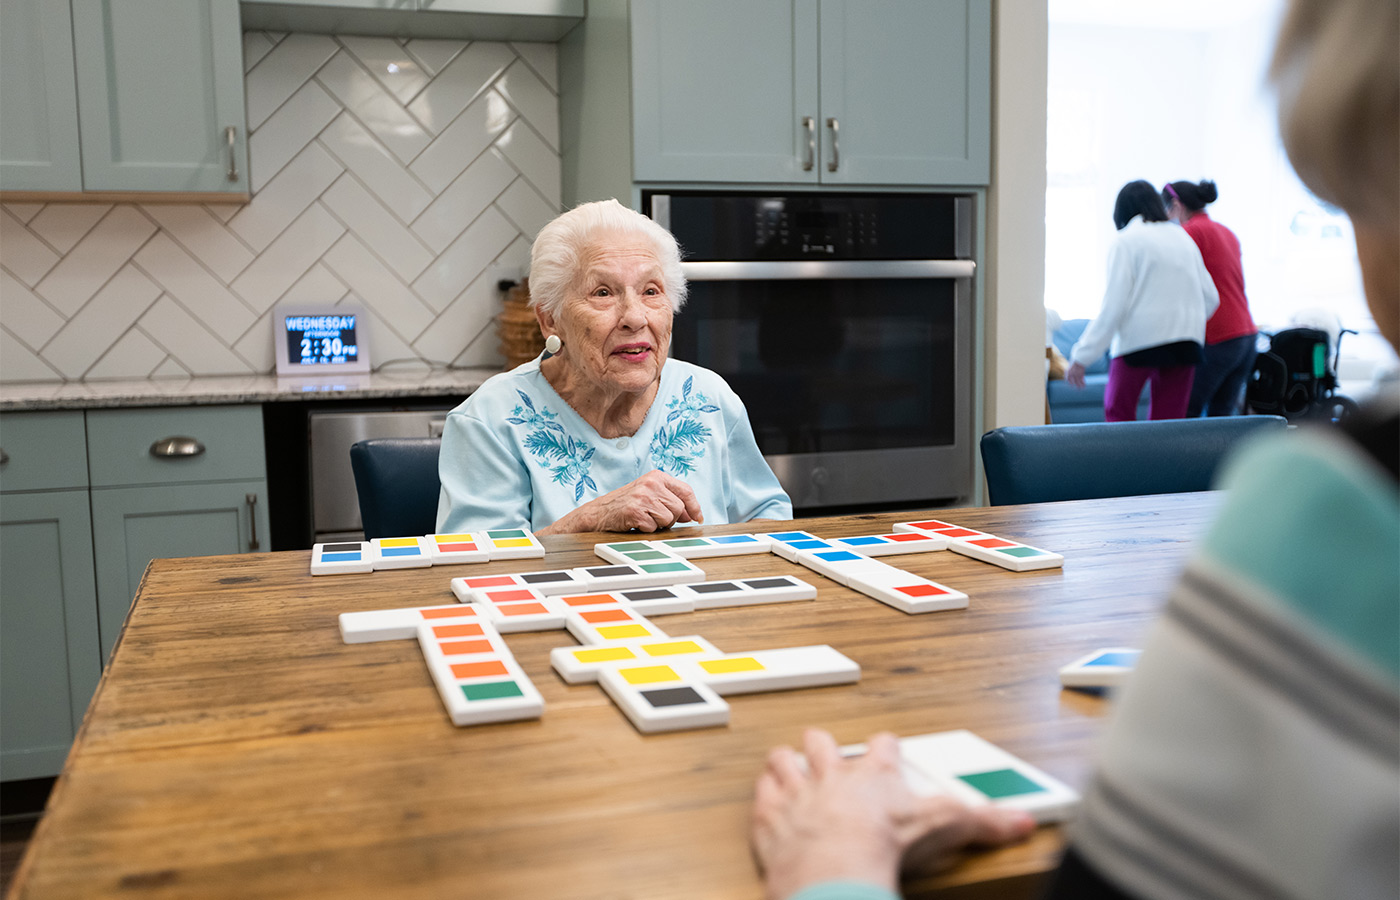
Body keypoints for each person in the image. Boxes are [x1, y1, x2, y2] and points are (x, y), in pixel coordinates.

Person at [750, 0, 1398, 896]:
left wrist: (830, 865)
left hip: (1139, 351)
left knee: (1128, 420)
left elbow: (1112, 317)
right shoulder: (1201, 242)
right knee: (1160, 428)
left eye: (1354, 196)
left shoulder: (1339, 512)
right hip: (1215, 348)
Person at [436, 199, 793, 535]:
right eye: (603, 292)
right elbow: (473, 565)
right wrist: (592, 518)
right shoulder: (491, 419)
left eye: (651, 291)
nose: (635, 317)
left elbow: (769, 521)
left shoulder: (708, 398)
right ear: (550, 320)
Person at [1065, 181, 1220, 421]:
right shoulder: (1184, 239)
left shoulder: (1126, 241)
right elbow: (1211, 299)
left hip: (1138, 344)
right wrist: (1185, 322)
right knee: (1168, 426)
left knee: (1118, 416)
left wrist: (1081, 357)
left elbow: (1112, 308)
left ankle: (1121, 461)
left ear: (1121, 212)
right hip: (1186, 343)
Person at [1162, 179, 1258, 417]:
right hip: (1246, 337)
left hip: (1220, 336)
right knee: (1221, 417)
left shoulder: (1189, 233)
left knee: (1185, 414)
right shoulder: (1227, 232)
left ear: (1175, 205)